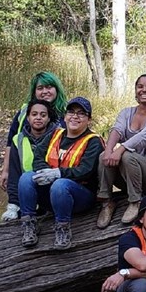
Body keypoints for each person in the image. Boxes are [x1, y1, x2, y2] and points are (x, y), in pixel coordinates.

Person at [18, 97, 104, 250]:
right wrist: (44, 172)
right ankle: (29, 224)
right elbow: (38, 157)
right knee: (26, 177)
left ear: (89, 119)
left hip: (79, 195)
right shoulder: (54, 135)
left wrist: (58, 173)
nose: (75, 116)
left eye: (81, 113)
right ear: (65, 117)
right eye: (71, 112)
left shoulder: (93, 141)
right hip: (51, 193)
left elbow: (86, 170)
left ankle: (63, 228)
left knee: (60, 184)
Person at [96, 75, 146, 228]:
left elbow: (144, 137)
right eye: (140, 86)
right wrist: (109, 151)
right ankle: (106, 202)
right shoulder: (126, 112)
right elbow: (117, 130)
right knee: (104, 155)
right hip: (127, 174)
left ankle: (135, 201)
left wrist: (120, 149)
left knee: (127, 155)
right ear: (135, 90)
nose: (144, 90)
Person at [0, 71, 67, 221]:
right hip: (26, 172)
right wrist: (5, 170)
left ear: (57, 88)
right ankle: (19, 209)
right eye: (40, 88)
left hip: (55, 175)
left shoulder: (67, 113)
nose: (45, 92)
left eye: (49, 87)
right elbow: (12, 141)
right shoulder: (24, 112)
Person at [4, 99, 56, 218]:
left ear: (48, 119)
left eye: (43, 115)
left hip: (53, 191)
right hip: (27, 189)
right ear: (27, 117)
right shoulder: (18, 140)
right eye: (34, 114)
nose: (38, 118)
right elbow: (14, 175)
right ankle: (27, 220)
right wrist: (12, 205)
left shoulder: (59, 137)